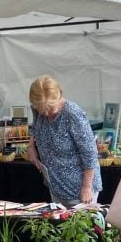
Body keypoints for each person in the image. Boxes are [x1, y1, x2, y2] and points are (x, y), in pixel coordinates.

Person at [26, 75, 100, 207]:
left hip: (79, 190)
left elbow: (90, 153)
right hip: (56, 186)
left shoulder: (72, 114)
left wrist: (86, 187)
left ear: (59, 95)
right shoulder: (38, 109)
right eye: (43, 111)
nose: (47, 114)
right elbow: (35, 127)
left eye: (51, 109)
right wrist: (31, 146)